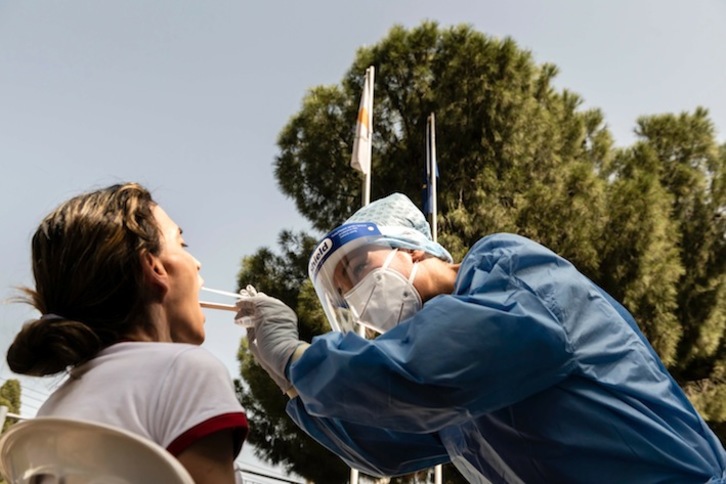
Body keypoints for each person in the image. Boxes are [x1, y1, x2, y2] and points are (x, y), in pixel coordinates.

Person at [238, 192, 726, 483]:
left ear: (416, 248)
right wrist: (289, 379)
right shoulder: (453, 400)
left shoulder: (504, 270)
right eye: (346, 295)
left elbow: (417, 374)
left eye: (361, 267)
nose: (362, 298)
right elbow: (380, 444)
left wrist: (299, 359)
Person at [6, 183, 248, 484]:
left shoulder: (50, 411)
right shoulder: (188, 370)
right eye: (182, 245)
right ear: (154, 268)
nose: (196, 263)